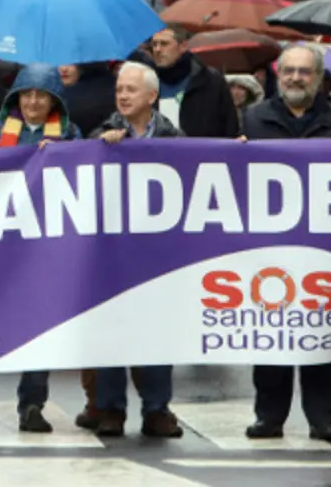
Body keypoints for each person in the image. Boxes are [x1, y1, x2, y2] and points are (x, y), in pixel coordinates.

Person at [240, 44, 331, 444]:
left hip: (323, 247)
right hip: (269, 246)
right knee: (271, 329)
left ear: (319, 78)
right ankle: (269, 416)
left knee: (320, 331)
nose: (294, 78)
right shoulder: (253, 119)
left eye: (303, 72)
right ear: (277, 73)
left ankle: (322, 418)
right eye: (288, 70)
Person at [0, 63, 82, 436]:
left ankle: (32, 405)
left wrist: (64, 155)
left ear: (53, 100)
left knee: (37, 327)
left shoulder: (68, 133)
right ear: (16, 98)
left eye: (41, 95)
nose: (32, 102)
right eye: (26, 95)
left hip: (43, 248)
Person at [83, 62, 183, 439]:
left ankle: (157, 410)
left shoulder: (174, 138)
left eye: (131, 89)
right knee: (112, 332)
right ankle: (110, 409)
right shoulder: (103, 132)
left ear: (152, 97)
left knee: (155, 335)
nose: (122, 95)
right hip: (110, 255)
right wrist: (100, 146)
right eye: (119, 89)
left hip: (157, 256)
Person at [148, 25, 237, 137]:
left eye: (164, 44)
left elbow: (229, 128)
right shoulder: (146, 82)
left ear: (183, 46)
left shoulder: (210, 81)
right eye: (154, 45)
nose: (157, 50)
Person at [58, 63, 117, 138]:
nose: (63, 69)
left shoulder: (102, 93)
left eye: (71, 64)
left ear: (81, 66)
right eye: (60, 62)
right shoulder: (48, 94)